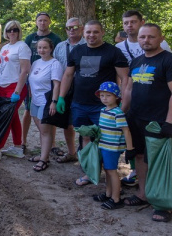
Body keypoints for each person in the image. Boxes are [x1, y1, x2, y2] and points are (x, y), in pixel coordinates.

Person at [121, 23, 172, 223]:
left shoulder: (171, 62)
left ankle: (161, 204)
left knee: (157, 161)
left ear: (160, 38)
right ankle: (142, 194)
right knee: (139, 157)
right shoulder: (136, 61)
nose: (146, 41)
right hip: (136, 118)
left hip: (158, 121)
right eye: (142, 37)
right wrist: (122, 112)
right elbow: (129, 90)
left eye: (151, 37)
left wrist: (170, 122)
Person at [57, 20, 129, 186]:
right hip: (79, 103)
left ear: (102, 32)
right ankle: (90, 172)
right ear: (84, 33)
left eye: (95, 32)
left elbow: (125, 78)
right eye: (88, 32)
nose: (91, 35)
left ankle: (110, 174)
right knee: (85, 137)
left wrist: (123, 101)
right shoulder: (77, 50)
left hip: (104, 106)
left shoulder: (113, 52)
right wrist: (60, 97)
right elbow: (68, 75)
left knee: (105, 139)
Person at [0, 20, 31, 165]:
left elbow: (25, 70)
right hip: (3, 86)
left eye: (15, 29)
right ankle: (18, 147)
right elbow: (2, 69)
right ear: (5, 32)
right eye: (9, 30)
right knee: (12, 117)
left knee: (5, 118)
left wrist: (18, 91)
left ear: (19, 31)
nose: (12, 32)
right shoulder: (5, 46)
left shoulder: (22, 47)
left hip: (15, 87)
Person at [23, 12, 62, 153]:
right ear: (36, 22)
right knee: (29, 111)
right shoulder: (30, 38)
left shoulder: (55, 39)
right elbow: (24, 56)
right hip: (33, 78)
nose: (43, 23)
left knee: (48, 117)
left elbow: (57, 59)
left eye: (45, 20)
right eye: (40, 20)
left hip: (47, 82)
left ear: (49, 22)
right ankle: (23, 141)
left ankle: (51, 145)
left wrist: (55, 100)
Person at [93, 82, 133, 210]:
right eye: (102, 95)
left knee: (112, 171)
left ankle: (116, 198)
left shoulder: (118, 113)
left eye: (108, 96)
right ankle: (108, 193)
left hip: (113, 147)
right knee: (107, 170)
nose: (104, 98)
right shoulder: (103, 110)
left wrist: (129, 148)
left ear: (116, 97)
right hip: (104, 144)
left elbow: (126, 130)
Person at [50, 17, 84, 163]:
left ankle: (85, 154)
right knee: (67, 122)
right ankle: (71, 152)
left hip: (83, 88)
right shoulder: (60, 46)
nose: (71, 30)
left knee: (84, 123)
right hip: (64, 89)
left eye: (75, 27)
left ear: (82, 28)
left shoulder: (87, 45)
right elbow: (56, 67)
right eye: (69, 28)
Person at [27, 38, 63, 172]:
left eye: (45, 48)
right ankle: (44, 156)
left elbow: (57, 84)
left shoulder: (55, 64)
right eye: (40, 48)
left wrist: (54, 102)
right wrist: (30, 99)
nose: (42, 50)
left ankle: (44, 160)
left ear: (51, 49)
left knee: (46, 131)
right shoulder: (36, 62)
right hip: (35, 101)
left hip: (46, 102)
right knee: (41, 131)